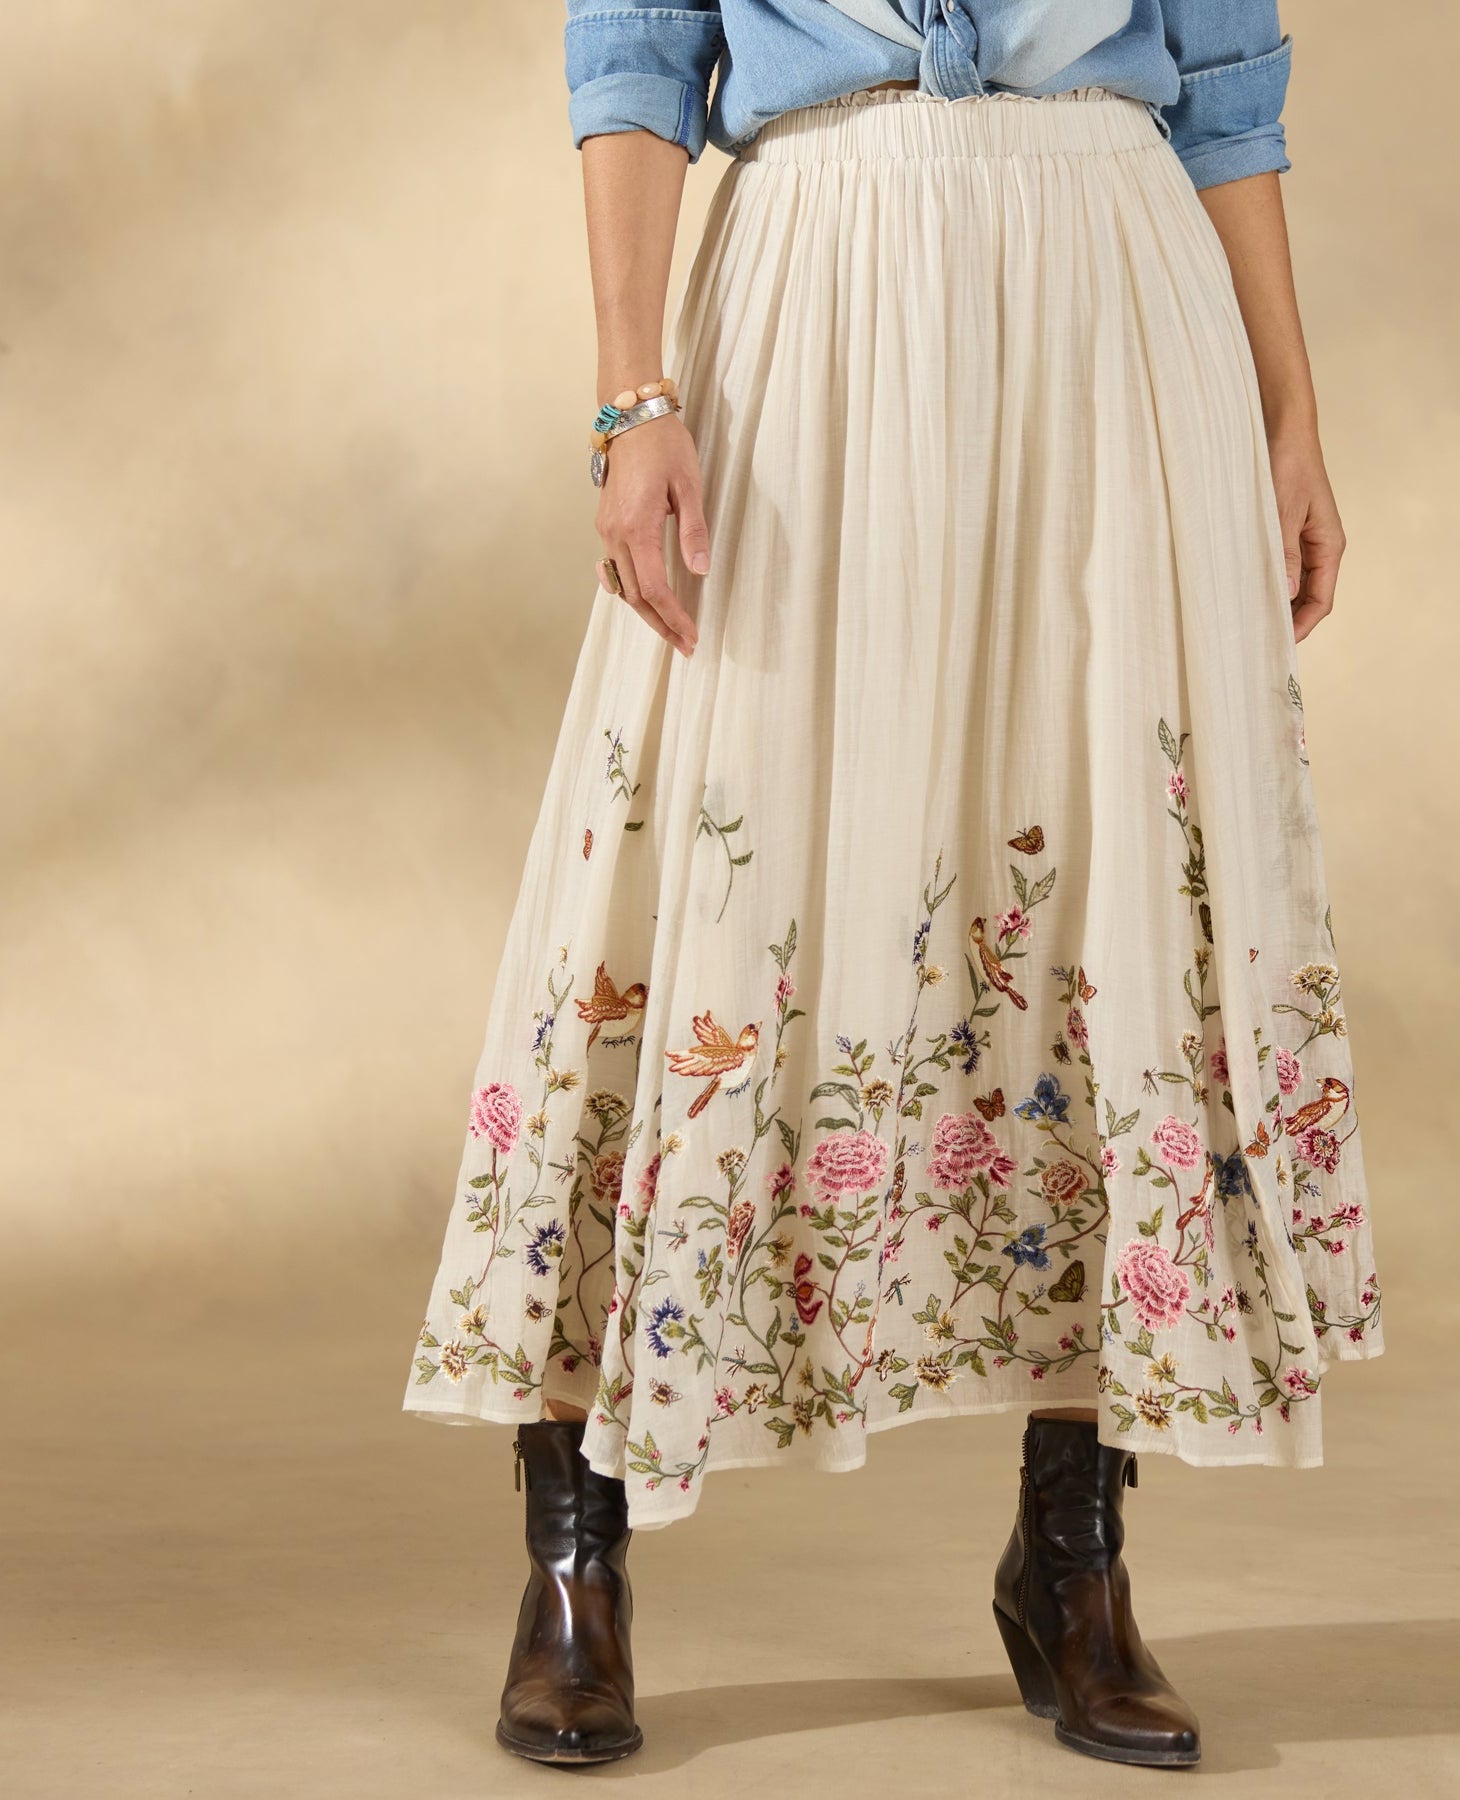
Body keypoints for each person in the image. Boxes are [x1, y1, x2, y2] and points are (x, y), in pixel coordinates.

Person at [402, 0, 1384, 1770]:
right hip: (820, 288)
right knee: (697, 865)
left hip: (1117, 297)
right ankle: (575, 1559)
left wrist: (1291, 415)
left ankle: (1072, 1558)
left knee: (1104, 898)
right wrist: (633, 396)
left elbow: (1228, 81)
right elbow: (635, 54)